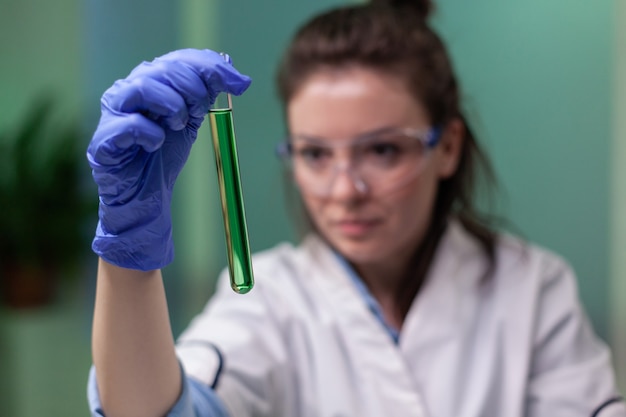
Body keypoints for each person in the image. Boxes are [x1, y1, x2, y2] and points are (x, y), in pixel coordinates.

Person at [86, 0, 625, 416]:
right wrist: (129, 257)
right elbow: (150, 410)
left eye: (383, 149)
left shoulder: (531, 288)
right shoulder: (268, 295)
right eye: (315, 154)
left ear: (449, 147)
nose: (345, 190)